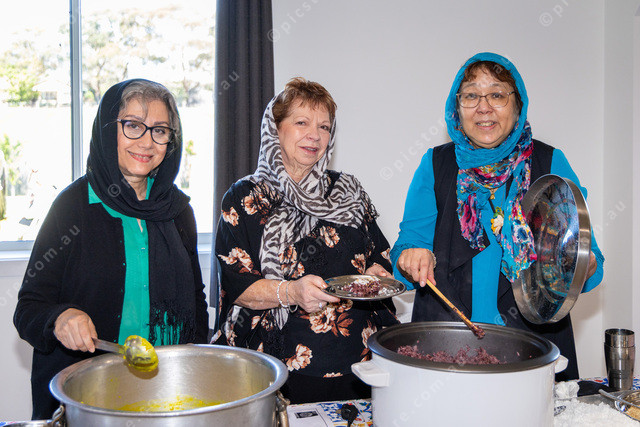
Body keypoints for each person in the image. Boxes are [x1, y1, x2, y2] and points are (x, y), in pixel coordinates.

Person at [390, 52, 604, 381]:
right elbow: (405, 253)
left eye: (497, 94)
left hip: (531, 348)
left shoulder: (550, 162)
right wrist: (410, 256)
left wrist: (580, 265)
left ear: (517, 105)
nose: (484, 107)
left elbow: (591, 263)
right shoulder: (435, 164)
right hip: (447, 347)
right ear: (456, 107)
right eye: (471, 95)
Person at [14, 79, 209, 419]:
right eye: (132, 125)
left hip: (166, 395)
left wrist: (197, 369)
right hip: (85, 399)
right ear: (108, 130)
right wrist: (61, 317)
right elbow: (28, 309)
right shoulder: (72, 207)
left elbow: (196, 302)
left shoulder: (179, 211)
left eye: (160, 130)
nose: (146, 142)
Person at [215, 77, 398, 403]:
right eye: (301, 122)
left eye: (324, 127)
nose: (315, 135)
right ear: (276, 129)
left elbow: (378, 254)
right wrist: (291, 292)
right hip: (277, 365)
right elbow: (238, 287)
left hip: (358, 364)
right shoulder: (245, 197)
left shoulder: (348, 190)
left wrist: (376, 273)